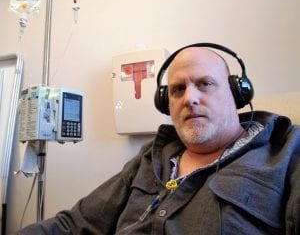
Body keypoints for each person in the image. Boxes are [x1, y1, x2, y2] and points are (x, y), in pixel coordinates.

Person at [16, 44, 300, 234]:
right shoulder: (150, 158)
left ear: (237, 94)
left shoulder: (287, 153)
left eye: (205, 84)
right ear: (167, 103)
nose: (189, 98)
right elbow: (74, 225)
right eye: (177, 90)